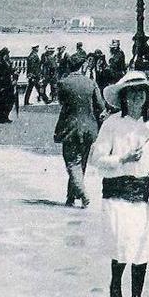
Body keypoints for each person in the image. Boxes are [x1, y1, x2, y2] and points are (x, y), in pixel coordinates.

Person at [90, 71, 149, 297]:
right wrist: (122, 158)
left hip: (143, 192)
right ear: (123, 97)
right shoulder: (112, 124)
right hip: (117, 192)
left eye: (141, 93)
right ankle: (115, 288)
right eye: (131, 93)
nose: (136, 98)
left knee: (142, 246)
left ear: (147, 97)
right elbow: (97, 159)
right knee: (122, 243)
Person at [54, 53, 107, 208]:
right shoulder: (91, 83)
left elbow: (62, 102)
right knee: (81, 162)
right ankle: (71, 197)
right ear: (83, 65)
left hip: (70, 127)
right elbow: (101, 106)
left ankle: (82, 193)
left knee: (72, 162)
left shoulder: (63, 83)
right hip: (89, 128)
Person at [0, 48, 16, 124]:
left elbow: (10, 72)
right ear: (3, 55)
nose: (8, 55)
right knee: (2, 102)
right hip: (2, 86)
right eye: (6, 54)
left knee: (10, 101)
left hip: (8, 85)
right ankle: (2, 117)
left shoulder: (8, 62)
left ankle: (6, 116)